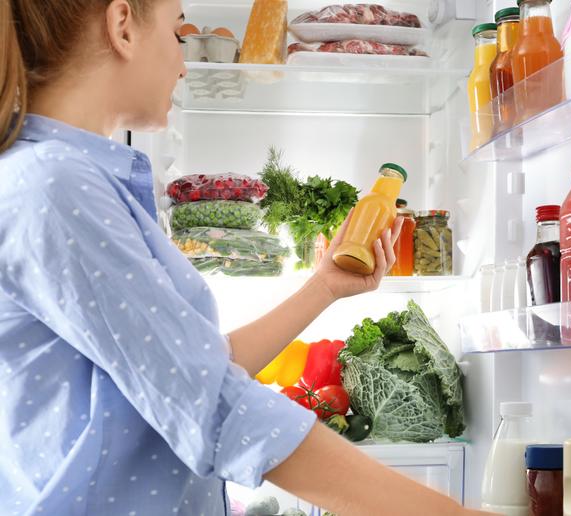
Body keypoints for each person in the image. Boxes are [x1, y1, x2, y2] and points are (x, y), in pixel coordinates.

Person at [0, 1, 492, 515]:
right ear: (123, 27)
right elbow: (214, 404)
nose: (184, 63)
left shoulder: (66, 180)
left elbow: (194, 371)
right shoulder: (55, 185)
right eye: (175, 34)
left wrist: (324, 286)